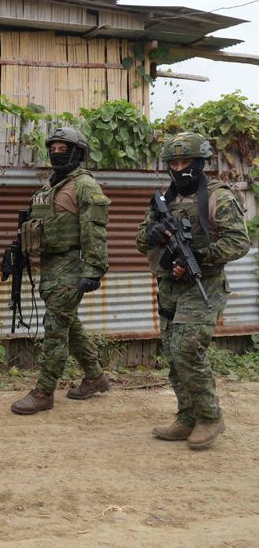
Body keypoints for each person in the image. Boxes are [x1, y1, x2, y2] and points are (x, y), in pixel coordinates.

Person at [137, 132, 249, 450]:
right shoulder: (165, 199)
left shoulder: (218, 196)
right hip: (169, 286)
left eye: (186, 162)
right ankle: (187, 417)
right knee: (173, 354)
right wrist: (154, 233)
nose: (180, 167)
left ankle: (210, 417)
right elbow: (139, 240)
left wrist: (202, 255)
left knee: (188, 350)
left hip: (205, 284)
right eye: (174, 162)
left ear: (200, 164)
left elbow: (239, 241)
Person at [11, 126, 111, 415]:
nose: (57, 152)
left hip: (71, 264)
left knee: (55, 328)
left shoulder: (84, 185)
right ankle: (95, 377)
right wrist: (15, 252)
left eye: (63, 147)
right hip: (50, 265)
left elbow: (95, 230)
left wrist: (94, 268)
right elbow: (33, 226)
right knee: (69, 322)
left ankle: (44, 392)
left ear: (77, 152)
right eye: (53, 148)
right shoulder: (49, 186)